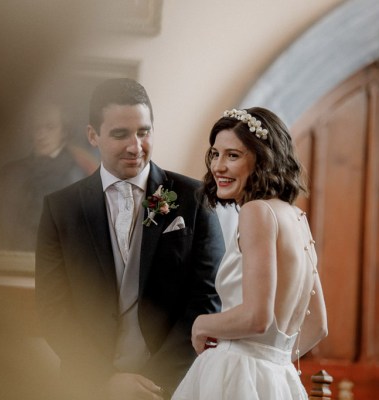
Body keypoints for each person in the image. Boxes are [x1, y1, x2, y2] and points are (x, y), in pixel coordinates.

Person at [35, 78, 225, 399]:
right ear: (92, 135)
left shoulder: (195, 199)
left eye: (144, 131)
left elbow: (207, 301)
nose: (135, 146)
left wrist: (154, 381)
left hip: (172, 386)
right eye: (120, 134)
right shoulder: (60, 208)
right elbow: (53, 308)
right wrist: (106, 380)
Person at [172, 107, 328, 399]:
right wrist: (272, 361)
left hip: (234, 374)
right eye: (215, 154)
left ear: (263, 160)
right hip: (279, 378)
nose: (218, 166)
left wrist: (201, 324)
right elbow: (318, 325)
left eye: (233, 155)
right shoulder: (296, 217)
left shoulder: (257, 212)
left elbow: (258, 318)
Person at [0, 101, 97, 251]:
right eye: (36, 127)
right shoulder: (11, 172)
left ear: (64, 131)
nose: (41, 134)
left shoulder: (81, 172)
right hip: (14, 255)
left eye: (50, 127)